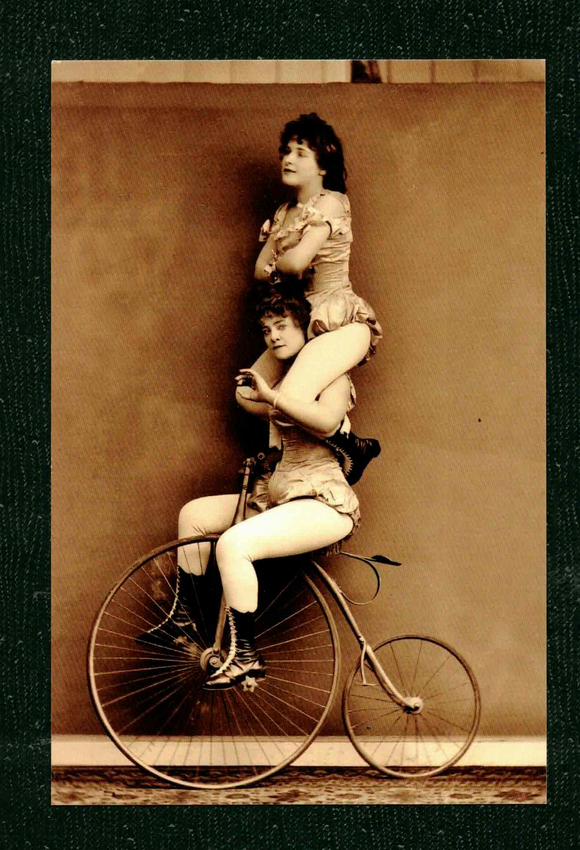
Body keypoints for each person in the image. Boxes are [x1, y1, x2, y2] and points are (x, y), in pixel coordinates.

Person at [140, 285, 361, 692]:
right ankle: (183, 618)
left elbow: (327, 423)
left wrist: (272, 396)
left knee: (233, 544)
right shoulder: (283, 381)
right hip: (282, 496)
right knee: (195, 515)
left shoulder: (333, 378)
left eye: (282, 326)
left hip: (322, 504)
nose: (273, 335)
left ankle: (246, 656)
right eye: (266, 329)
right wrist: (266, 457)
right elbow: (285, 446)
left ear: (305, 331)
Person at [236, 112, 383, 484]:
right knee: (246, 394)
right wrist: (281, 264)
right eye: (286, 150)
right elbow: (259, 269)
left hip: (338, 321)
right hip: (302, 323)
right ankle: (344, 438)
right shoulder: (284, 213)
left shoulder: (332, 202)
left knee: (291, 395)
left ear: (322, 164)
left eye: (301, 152)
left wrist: (281, 262)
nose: (288, 158)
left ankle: (304, 455)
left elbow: (294, 264)